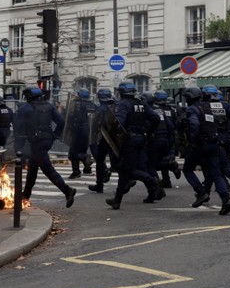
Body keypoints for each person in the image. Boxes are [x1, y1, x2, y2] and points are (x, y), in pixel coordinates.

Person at [14, 85, 76, 208]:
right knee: (32, 168)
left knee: (47, 169)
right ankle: (25, 195)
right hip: (47, 140)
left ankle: (67, 190)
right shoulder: (49, 106)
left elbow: (18, 126)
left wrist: (19, 146)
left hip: (36, 141)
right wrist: (55, 135)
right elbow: (61, 121)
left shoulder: (25, 108)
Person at [106, 81, 164, 209]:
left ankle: (151, 180)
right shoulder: (142, 103)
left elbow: (119, 122)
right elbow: (155, 118)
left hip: (129, 141)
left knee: (128, 169)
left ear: (121, 93)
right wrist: (148, 133)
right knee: (128, 169)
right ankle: (117, 200)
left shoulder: (123, 104)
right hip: (141, 139)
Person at [181, 86, 230, 215]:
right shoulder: (209, 108)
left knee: (187, 169)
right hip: (213, 143)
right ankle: (225, 199)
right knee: (216, 173)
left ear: (189, 98)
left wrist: (193, 139)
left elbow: (195, 124)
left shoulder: (192, 109)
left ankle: (201, 192)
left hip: (201, 143)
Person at [88, 89, 115, 193]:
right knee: (118, 160)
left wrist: (94, 136)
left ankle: (99, 185)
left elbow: (96, 125)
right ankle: (127, 180)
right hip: (116, 138)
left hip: (105, 138)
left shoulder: (100, 109)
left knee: (100, 160)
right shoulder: (115, 106)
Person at [66, 89, 96, 179]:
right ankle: (87, 168)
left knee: (73, 153)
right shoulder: (93, 105)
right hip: (90, 131)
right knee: (82, 150)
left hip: (79, 131)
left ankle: (76, 171)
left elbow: (74, 119)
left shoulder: (78, 105)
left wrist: (70, 129)